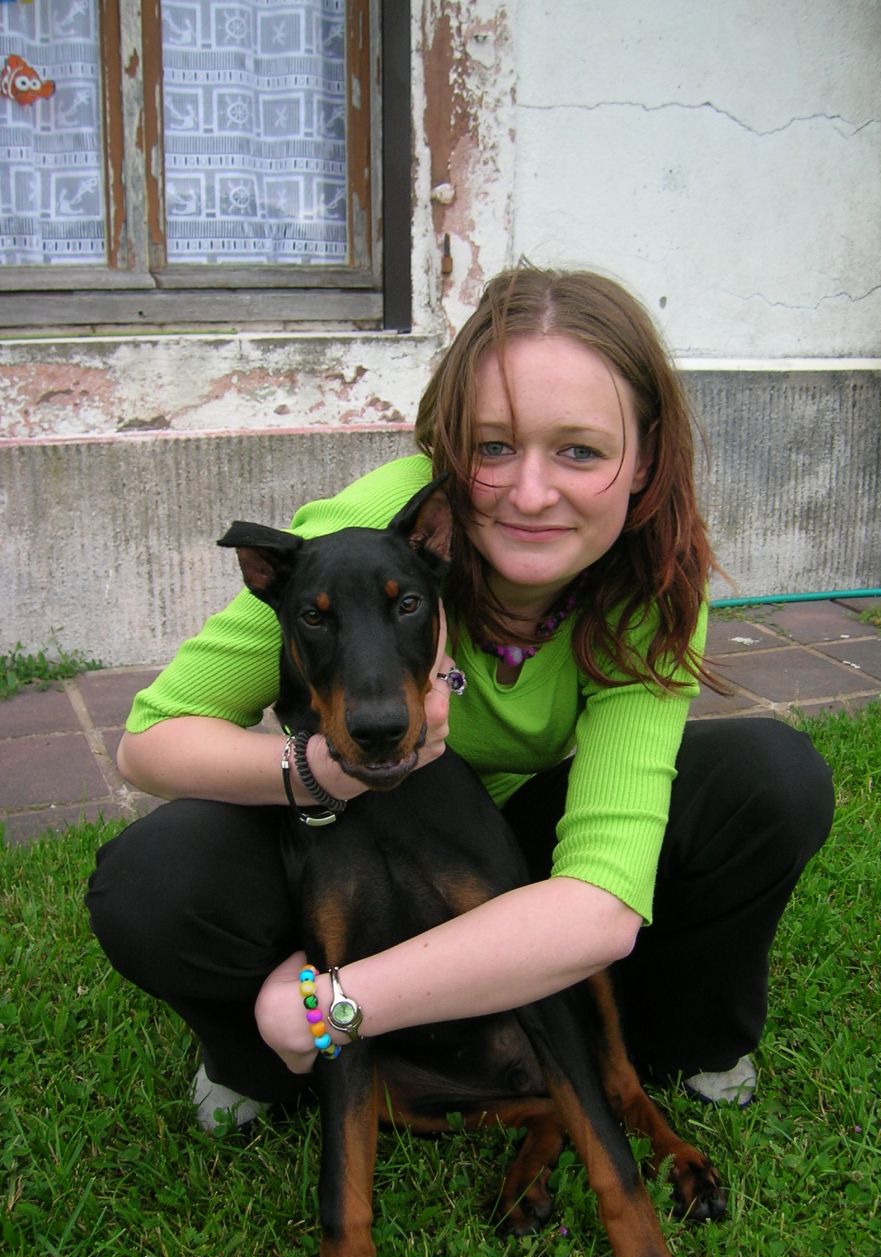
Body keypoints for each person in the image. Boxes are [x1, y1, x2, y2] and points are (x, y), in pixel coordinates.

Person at [86, 266, 834, 1130]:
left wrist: (334, 1003)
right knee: (155, 878)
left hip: (511, 844)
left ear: (645, 459)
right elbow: (151, 742)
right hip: (353, 842)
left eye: (581, 451)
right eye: (494, 447)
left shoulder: (651, 580)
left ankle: (681, 1034)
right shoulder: (370, 539)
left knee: (767, 779)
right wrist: (326, 771)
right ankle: (262, 1058)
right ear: (448, 445)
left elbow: (598, 903)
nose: (530, 494)